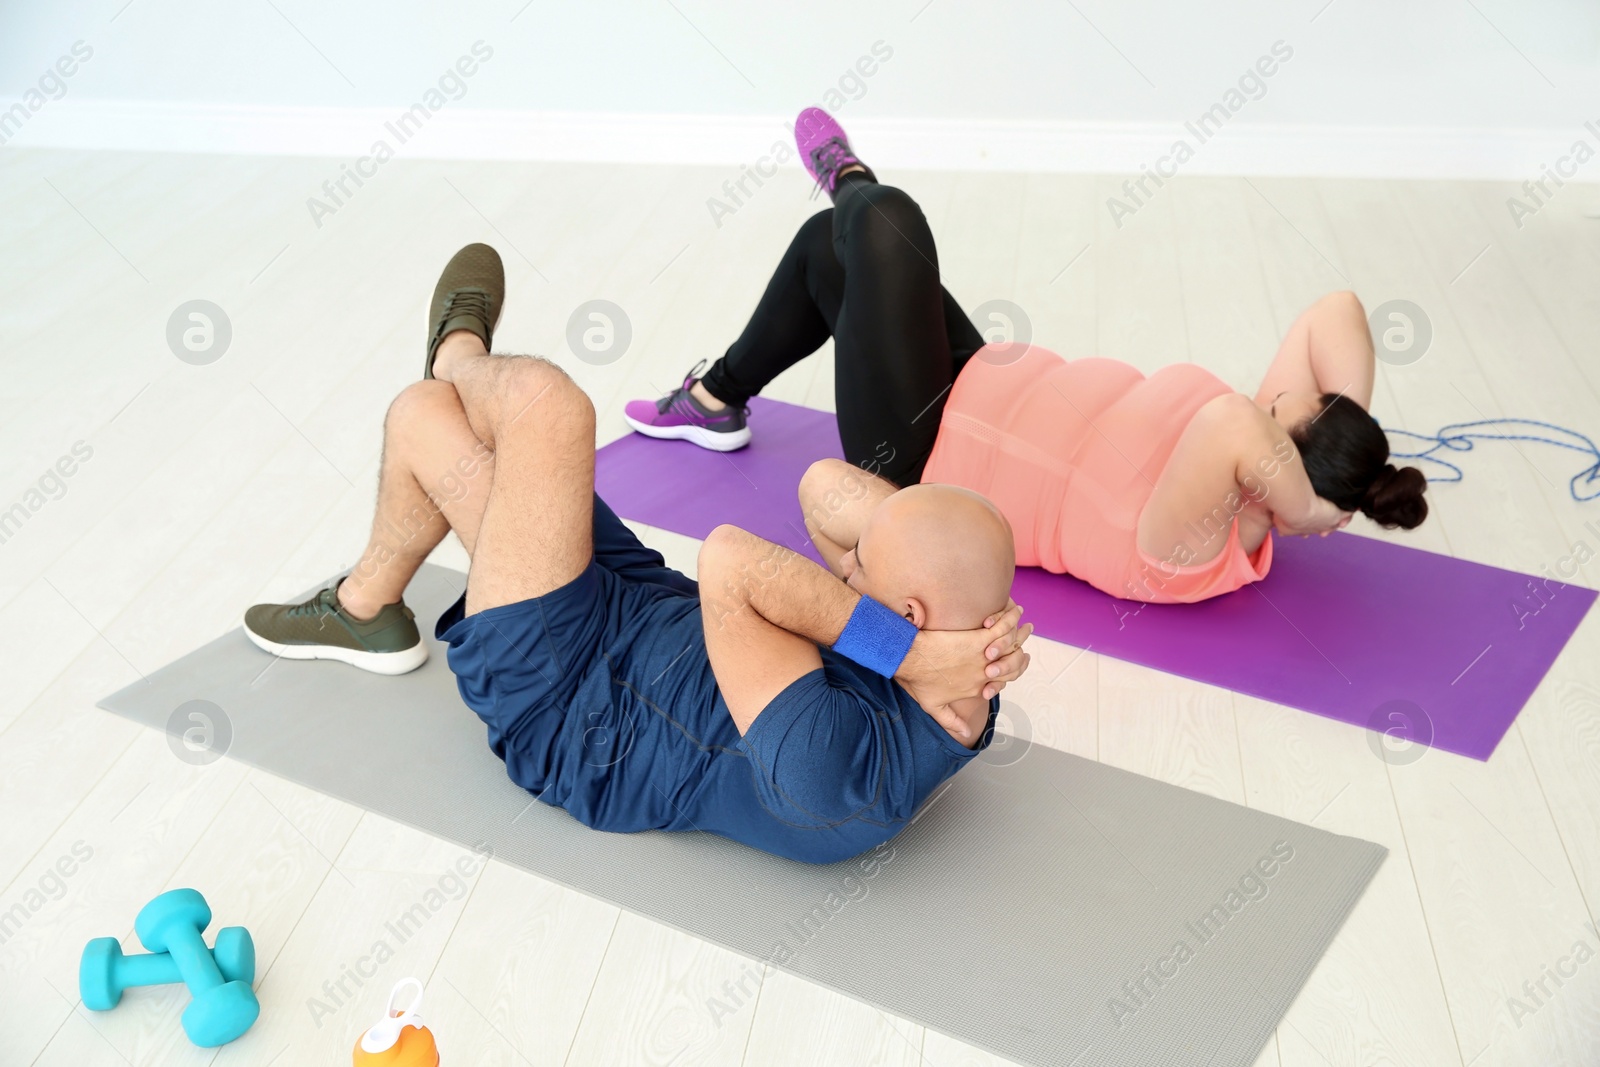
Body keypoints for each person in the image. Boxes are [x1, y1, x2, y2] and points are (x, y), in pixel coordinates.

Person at [240, 244, 1031, 865]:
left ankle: (454, 353)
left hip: (574, 705)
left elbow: (730, 559)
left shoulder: (836, 770)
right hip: (641, 609)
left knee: (529, 408)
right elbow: (826, 487)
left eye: (859, 569)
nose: (842, 562)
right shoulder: (963, 670)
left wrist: (902, 648)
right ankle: (364, 610)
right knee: (427, 421)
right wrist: (923, 641)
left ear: (905, 615)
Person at [626, 109, 1430, 604]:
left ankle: (849, 177)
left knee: (879, 221)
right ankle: (715, 400)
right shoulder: (1259, 451)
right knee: (827, 256)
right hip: (973, 371)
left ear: (1277, 468)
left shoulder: (1195, 544)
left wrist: (1309, 511)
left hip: (919, 446)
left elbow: (1230, 422)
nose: (1271, 397)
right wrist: (1344, 450)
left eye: (1285, 410)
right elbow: (1337, 313)